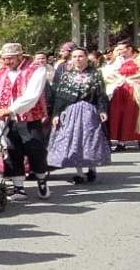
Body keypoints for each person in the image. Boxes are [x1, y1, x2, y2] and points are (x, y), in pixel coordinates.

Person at [0, 42, 52, 198]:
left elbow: (31, 96)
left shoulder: (36, 70)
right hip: (7, 120)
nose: (7, 62)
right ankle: (18, 187)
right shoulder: (0, 73)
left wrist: (11, 109)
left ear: (20, 56)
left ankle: (41, 180)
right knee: (12, 151)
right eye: (5, 59)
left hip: (29, 118)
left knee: (35, 149)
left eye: (11, 59)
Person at [47, 47, 112, 184]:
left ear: (86, 57)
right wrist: (56, 114)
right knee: (74, 141)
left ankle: (92, 168)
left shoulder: (95, 74)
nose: (78, 59)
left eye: (81, 56)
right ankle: (79, 172)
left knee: (90, 139)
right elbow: (59, 96)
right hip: (71, 111)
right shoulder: (66, 75)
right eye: (75, 56)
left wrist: (102, 110)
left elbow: (101, 94)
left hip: (89, 111)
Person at [102, 41, 140, 152]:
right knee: (121, 116)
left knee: (137, 115)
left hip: (138, 91)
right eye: (118, 49)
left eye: (121, 49)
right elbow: (109, 73)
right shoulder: (117, 61)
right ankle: (122, 142)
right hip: (120, 90)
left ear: (129, 49)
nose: (119, 52)